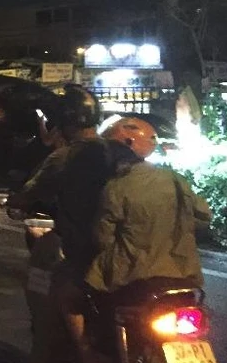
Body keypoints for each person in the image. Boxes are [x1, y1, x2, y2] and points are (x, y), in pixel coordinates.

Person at [7, 84, 116, 363]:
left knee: (47, 305)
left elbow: (27, 196)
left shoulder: (65, 157)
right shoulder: (115, 151)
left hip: (81, 252)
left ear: (64, 121)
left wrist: (14, 200)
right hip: (118, 251)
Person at [87, 117, 211, 295]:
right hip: (183, 273)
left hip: (131, 278)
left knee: (83, 295)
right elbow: (204, 216)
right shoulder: (175, 179)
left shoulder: (116, 186)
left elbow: (102, 238)